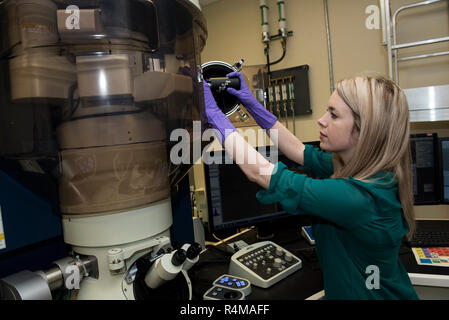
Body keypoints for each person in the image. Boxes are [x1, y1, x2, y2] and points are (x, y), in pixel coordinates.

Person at [202, 71, 419, 300]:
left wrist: (216, 116)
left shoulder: (358, 197)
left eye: (334, 115)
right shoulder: (371, 171)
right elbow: (298, 151)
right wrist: (252, 105)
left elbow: (261, 173)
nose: (322, 120)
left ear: (364, 130)